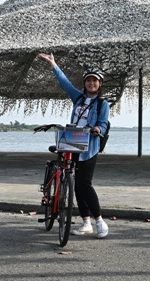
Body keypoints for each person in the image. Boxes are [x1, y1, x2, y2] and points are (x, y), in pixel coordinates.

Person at [38, 52, 111, 238]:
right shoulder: (78, 98)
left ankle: (99, 220)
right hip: (72, 142)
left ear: (100, 84)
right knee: (75, 184)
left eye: (95, 81)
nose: (91, 84)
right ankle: (86, 222)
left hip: (89, 146)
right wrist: (54, 64)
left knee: (85, 184)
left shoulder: (103, 104)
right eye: (88, 81)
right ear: (85, 83)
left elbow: (103, 123)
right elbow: (65, 84)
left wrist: (97, 129)